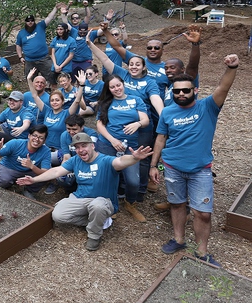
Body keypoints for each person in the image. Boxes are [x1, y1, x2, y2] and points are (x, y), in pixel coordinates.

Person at [149, 55, 239, 267]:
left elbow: (223, 87)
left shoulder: (208, 107)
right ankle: (179, 239)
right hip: (172, 168)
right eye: (177, 91)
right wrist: (154, 165)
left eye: (186, 90)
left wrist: (232, 67)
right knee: (177, 204)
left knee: (202, 213)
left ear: (195, 91)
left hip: (200, 170)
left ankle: (202, 252)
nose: (181, 94)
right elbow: (161, 138)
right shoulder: (168, 112)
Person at [17, 133, 153, 251]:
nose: (80, 150)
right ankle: (97, 220)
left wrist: (134, 158)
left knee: (97, 206)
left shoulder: (105, 160)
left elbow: (121, 161)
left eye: (84, 146)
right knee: (58, 215)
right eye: (77, 147)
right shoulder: (75, 160)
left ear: (92, 146)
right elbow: (56, 171)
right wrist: (34, 180)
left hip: (102, 200)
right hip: (80, 199)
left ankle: (94, 235)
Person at [95, 74, 150, 222]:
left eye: (118, 85)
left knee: (133, 181)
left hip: (130, 147)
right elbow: (99, 124)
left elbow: (145, 120)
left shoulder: (135, 100)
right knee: (107, 177)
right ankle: (109, 205)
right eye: (112, 87)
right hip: (108, 144)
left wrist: (137, 124)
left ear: (123, 84)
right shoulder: (105, 103)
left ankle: (130, 203)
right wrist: (112, 140)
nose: (116, 89)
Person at [15, 3, 59, 82]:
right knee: (30, 80)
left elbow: (49, 17)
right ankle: (34, 93)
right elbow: (18, 45)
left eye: (32, 20)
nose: (30, 22)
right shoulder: (21, 33)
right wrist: (20, 57)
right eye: (28, 21)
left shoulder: (40, 26)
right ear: (25, 22)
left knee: (52, 77)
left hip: (44, 59)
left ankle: (51, 92)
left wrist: (55, 8)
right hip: (29, 61)